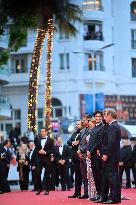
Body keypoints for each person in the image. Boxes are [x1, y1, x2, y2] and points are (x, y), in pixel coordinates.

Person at [100, 108, 121, 204]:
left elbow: (111, 142)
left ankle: (114, 198)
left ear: (110, 116)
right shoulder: (113, 126)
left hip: (111, 156)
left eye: (105, 115)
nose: (104, 117)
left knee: (112, 178)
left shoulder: (113, 126)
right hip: (112, 156)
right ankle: (113, 197)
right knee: (110, 177)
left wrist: (106, 154)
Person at [87, 110, 104, 201]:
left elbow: (98, 142)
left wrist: (91, 151)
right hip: (92, 155)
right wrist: (88, 151)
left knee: (99, 175)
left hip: (97, 155)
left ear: (102, 117)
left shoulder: (103, 127)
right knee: (95, 176)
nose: (97, 118)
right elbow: (90, 142)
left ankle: (102, 195)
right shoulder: (93, 129)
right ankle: (98, 194)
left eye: (99, 116)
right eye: (96, 116)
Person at [35, 127, 54, 195]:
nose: (41, 132)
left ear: (46, 132)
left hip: (47, 159)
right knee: (37, 173)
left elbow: (52, 150)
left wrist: (45, 152)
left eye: (43, 131)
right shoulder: (38, 140)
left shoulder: (51, 140)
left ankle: (47, 190)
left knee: (47, 175)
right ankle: (40, 188)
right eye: (41, 131)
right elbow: (36, 150)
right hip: (40, 159)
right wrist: (39, 151)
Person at [77, 114, 92, 199]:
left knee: (89, 175)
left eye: (84, 119)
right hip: (81, 155)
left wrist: (81, 150)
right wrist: (79, 150)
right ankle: (86, 193)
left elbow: (89, 144)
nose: (82, 121)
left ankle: (91, 193)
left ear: (89, 120)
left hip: (87, 155)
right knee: (84, 175)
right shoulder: (83, 130)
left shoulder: (90, 130)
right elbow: (80, 142)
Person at [67, 120, 82, 198]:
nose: (77, 125)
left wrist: (78, 142)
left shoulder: (83, 133)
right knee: (77, 176)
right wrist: (73, 142)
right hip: (74, 157)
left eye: (78, 124)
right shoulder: (74, 133)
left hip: (81, 156)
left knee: (84, 176)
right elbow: (68, 141)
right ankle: (77, 192)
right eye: (76, 124)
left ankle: (87, 193)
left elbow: (83, 141)